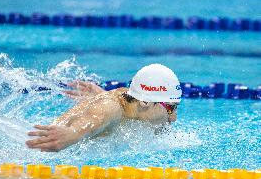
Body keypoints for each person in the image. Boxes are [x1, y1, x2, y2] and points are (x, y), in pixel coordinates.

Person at [26, 64, 182, 152]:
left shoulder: (129, 98)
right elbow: (94, 120)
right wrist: (71, 134)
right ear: (145, 102)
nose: (173, 117)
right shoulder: (109, 108)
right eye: (170, 107)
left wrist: (100, 96)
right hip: (36, 147)